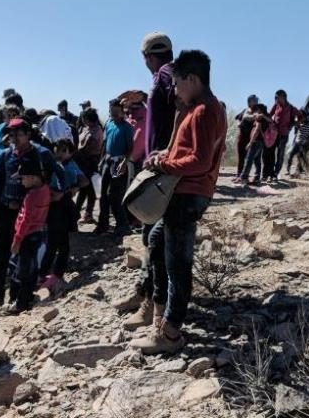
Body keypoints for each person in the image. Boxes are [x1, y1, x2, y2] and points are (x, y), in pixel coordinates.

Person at [131, 49, 227, 354]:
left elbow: (199, 162)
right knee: (158, 242)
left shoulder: (205, 111)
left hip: (189, 194)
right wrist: (167, 155)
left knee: (178, 264)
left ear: (193, 79)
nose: (174, 89)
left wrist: (163, 166)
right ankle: (159, 319)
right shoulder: (196, 108)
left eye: (177, 83)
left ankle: (170, 333)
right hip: (183, 192)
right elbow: (188, 152)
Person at [114, 32, 176, 327]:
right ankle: (144, 292)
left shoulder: (165, 75)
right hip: (162, 166)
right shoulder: (167, 76)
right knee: (149, 234)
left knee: (154, 238)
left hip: (163, 170)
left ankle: (151, 304)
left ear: (146, 57)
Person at [0, 119, 41, 313]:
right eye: (11, 134)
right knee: (0, 256)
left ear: (28, 134)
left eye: (19, 134)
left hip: (26, 216)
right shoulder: (4, 156)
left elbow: (49, 180)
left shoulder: (38, 155)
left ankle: (18, 299)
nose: (14, 138)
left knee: (24, 257)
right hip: (4, 212)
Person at [39, 139, 88, 292]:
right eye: (57, 149)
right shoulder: (55, 166)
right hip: (55, 207)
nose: (59, 153)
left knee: (60, 244)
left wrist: (67, 191)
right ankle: (49, 274)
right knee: (56, 243)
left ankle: (52, 274)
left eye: (63, 150)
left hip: (63, 207)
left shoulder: (70, 165)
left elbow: (84, 182)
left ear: (70, 151)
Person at [8, 150, 50, 314]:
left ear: (33, 177)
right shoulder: (45, 189)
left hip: (27, 236)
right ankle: (26, 298)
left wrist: (17, 241)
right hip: (38, 233)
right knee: (31, 269)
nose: (21, 181)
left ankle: (19, 303)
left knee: (21, 271)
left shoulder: (32, 196)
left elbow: (25, 221)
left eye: (23, 178)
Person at [95, 98, 134, 236]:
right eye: (112, 112)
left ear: (122, 111)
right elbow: (105, 145)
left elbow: (130, 148)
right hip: (107, 162)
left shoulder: (127, 127)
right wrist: (101, 161)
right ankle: (103, 224)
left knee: (115, 196)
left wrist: (124, 162)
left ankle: (123, 225)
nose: (114, 115)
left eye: (117, 112)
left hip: (119, 163)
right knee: (103, 196)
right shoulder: (109, 124)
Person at [75, 107, 104, 224]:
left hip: (90, 163)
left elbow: (85, 147)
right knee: (83, 189)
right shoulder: (86, 128)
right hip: (83, 162)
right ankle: (77, 212)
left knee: (89, 189)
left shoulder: (96, 131)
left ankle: (87, 213)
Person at [262, 89, 296, 182]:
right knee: (270, 153)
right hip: (274, 133)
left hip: (284, 135)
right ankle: (270, 173)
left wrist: (292, 125)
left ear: (283, 97)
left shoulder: (291, 108)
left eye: (277, 97)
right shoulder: (276, 105)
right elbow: (270, 114)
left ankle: (276, 173)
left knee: (280, 155)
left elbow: (300, 117)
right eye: (275, 97)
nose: (275, 99)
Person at [238, 104, 270, 184]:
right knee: (257, 161)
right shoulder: (265, 118)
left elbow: (256, 131)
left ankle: (244, 178)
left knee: (249, 159)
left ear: (260, 110)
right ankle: (257, 178)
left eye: (257, 109)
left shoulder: (260, 119)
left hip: (256, 141)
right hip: (260, 142)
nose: (255, 111)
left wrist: (250, 142)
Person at [233, 94, 259, 180]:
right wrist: (239, 124)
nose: (256, 102)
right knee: (241, 157)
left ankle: (245, 176)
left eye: (256, 100)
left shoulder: (258, 110)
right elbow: (237, 118)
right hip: (241, 136)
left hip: (250, 138)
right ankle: (238, 175)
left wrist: (248, 117)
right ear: (249, 102)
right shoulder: (245, 110)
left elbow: (255, 117)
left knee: (249, 158)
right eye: (254, 100)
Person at [286, 112, 309, 177]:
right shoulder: (299, 123)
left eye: (302, 118)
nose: (300, 119)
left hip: (303, 143)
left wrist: (307, 140)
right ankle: (288, 170)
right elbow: (295, 127)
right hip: (297, 142)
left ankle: (305, 170)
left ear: (305, 117)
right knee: (291, 155)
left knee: (302, 157)